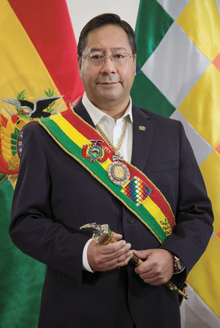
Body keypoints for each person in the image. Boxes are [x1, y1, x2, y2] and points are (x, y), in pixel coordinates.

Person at [9, 13, 213, 328]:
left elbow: (198, 212)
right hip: (76, 310)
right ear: (79, 63)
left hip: (155, 308)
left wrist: (173, 257)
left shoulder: (170, 133)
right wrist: (83, 253)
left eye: (119, 56)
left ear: (134, 63)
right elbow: (25, 223)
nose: (109, 68)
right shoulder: (44, 135)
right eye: (96, 57)